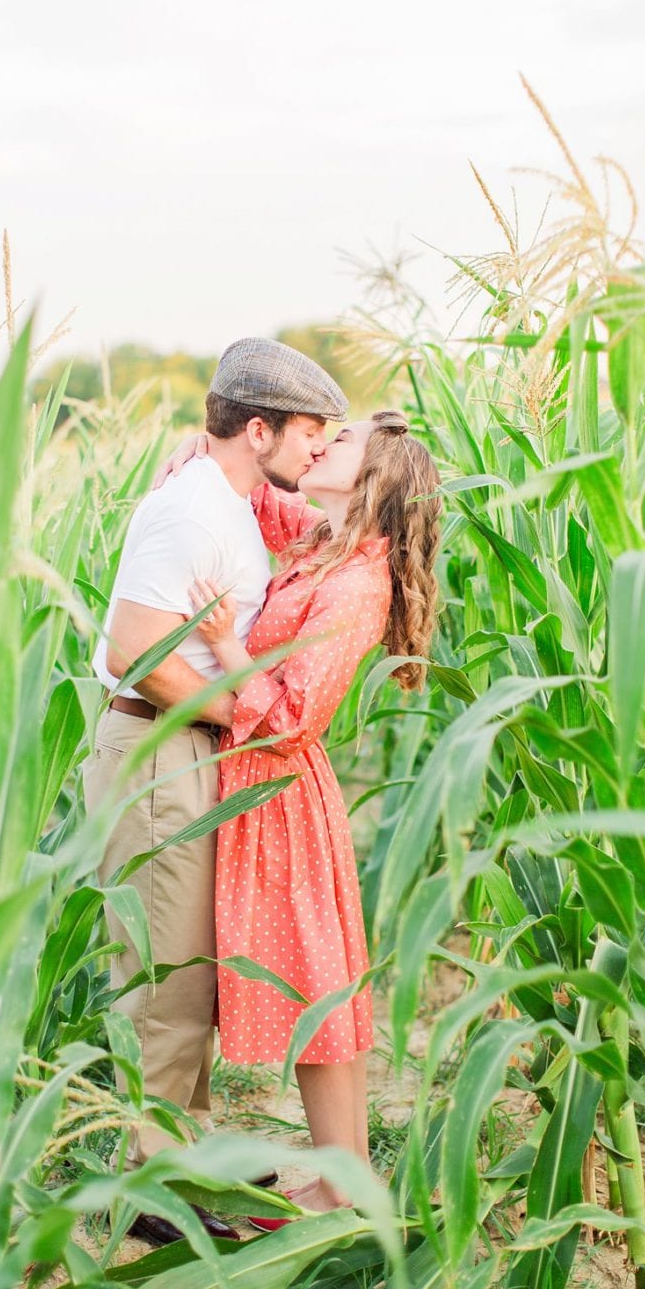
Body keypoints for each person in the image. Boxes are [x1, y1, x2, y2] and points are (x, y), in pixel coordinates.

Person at [83, 338, 347, 1247]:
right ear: (261, 428)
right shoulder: (194, 511)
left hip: (187, 752)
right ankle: (150, 1188)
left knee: (189, 968)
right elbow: (132, 651)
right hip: (160, 749)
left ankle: (180, 1157)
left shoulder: (231, 497)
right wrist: (240, 709)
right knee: (168, 980)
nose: (321, 448)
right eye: (313, 432)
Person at [162, 410, 441, 1223]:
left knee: (317, 994)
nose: (321, 445)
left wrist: (228, 645)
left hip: (278, 794)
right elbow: (256, 501)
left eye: (340, 442)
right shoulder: (329, 541)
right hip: (270, 794)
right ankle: (344, 1177)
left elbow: (291, 720)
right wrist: (204, 448)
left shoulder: (358, 583)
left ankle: (342, 1184)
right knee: (328, 991)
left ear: (375, 478)